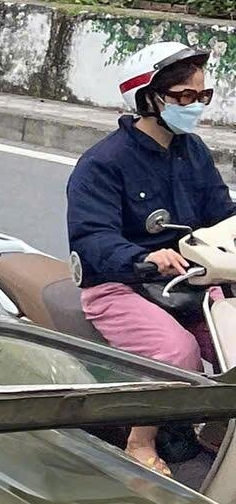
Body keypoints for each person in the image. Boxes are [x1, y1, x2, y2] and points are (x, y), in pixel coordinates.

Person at [70, 42, 236, 475]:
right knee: (177, 353)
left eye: (202, 95)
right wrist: (145, 256)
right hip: (121, 284)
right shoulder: (103, 163)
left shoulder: (192, 151)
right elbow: (92, 238)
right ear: (148, 98)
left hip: (189, 283)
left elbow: (222, 215)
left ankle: (218, 432)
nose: (195, 106)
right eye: (183, 96)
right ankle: (139, 442)